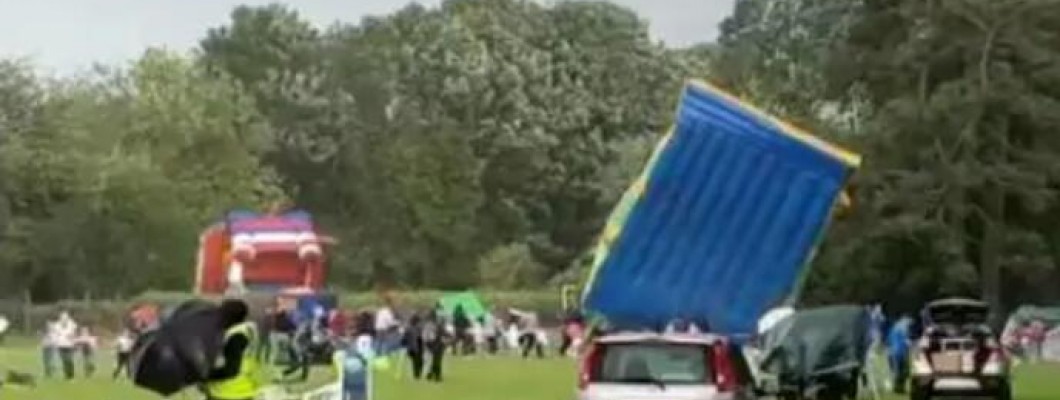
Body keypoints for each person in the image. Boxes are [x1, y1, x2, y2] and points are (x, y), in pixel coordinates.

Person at [204, 298, 264, 400]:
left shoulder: (236, 337)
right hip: (244, 388)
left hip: (227, 392)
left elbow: (231, 370)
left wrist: (205, 374)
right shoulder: (248, 332)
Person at [887, 316, 913, 394]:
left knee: (898, 372)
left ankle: (898, 388)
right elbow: (907, 341)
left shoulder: (894, 328)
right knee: (902, 372)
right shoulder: (903, 327)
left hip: (893, 352)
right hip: (900, 352)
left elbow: (889, 341)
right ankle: (899, 388)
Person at [422, 310, 447, 382]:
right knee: (437, 360)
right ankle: (437, 376)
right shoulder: (438, 325)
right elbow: (443, 334)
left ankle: (430, 373)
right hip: (437, 344)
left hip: (429, 343)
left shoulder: (426, 325)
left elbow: (424, 336)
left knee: (429, 359)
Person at [53, 311, 78, 379]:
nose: (64, 320)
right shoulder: (57, 325)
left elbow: (74, 333)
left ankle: (71, 375)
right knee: (64, 361)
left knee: (69, 360)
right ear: (60, 319)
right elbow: (55, 335)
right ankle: (66, 375)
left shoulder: (72, 324)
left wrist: (72, 336)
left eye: (65, 318)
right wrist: (55, 342)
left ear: (67, 318)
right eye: (62, 318)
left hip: (69, 345)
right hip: (60, 345)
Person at [403, 313, 426, 379]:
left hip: (416, 347)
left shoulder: (417, 328)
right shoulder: (410, 329)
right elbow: (405, 338)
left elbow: (405, 338)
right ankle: (417, 374)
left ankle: (417, 374)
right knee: (417, 361)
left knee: (418, 361)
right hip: (415, 348)